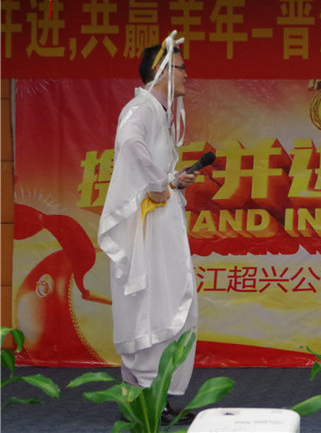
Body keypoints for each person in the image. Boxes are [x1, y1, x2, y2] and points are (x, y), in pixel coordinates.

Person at [98, 32, 198, 425]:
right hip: (149, 227)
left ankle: (157, 396)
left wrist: (170, 179)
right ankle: (146, 396)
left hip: (158, 222)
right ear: (162, 72)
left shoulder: (154, 110)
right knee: (153, 303)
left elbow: (148, 165)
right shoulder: (141, 108)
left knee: (168, 302)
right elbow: (129, 145)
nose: (186, 74)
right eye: (180, 68)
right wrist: (160, 183)